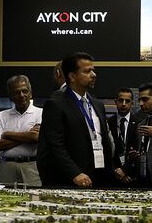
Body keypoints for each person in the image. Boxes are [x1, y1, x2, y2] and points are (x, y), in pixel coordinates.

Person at [37, 52, 113, 188]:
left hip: (100, 176)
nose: (94, 75)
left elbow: (104, 141)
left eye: (93, 70)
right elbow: (55, 146)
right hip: (71, 179)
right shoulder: (56, 104)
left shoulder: (98, 105)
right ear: (72, 76)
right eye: (87, 71)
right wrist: (74, 173)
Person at [0, 75, 42, 185]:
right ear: (10, 96)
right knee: (5, 200)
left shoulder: (41, 113)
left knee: (33, 199)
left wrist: (7, 134)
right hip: (7, 167)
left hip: (31, 166)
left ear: (30, 93)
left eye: (25, 91)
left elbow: (36, 137)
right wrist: (27, 136)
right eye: (17, 92)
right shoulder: (2, 115)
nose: (22, 95)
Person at [108, 88, 136, 185]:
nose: (124, 104)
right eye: (120, 100)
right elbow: (106, 151)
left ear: (132, 103)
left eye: (127, 101)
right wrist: (116, 171)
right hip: (112, 175)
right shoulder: (108, 123)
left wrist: (125, 170)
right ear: (115, 102)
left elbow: (140, 151)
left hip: (133, 176)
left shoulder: (139, 123)